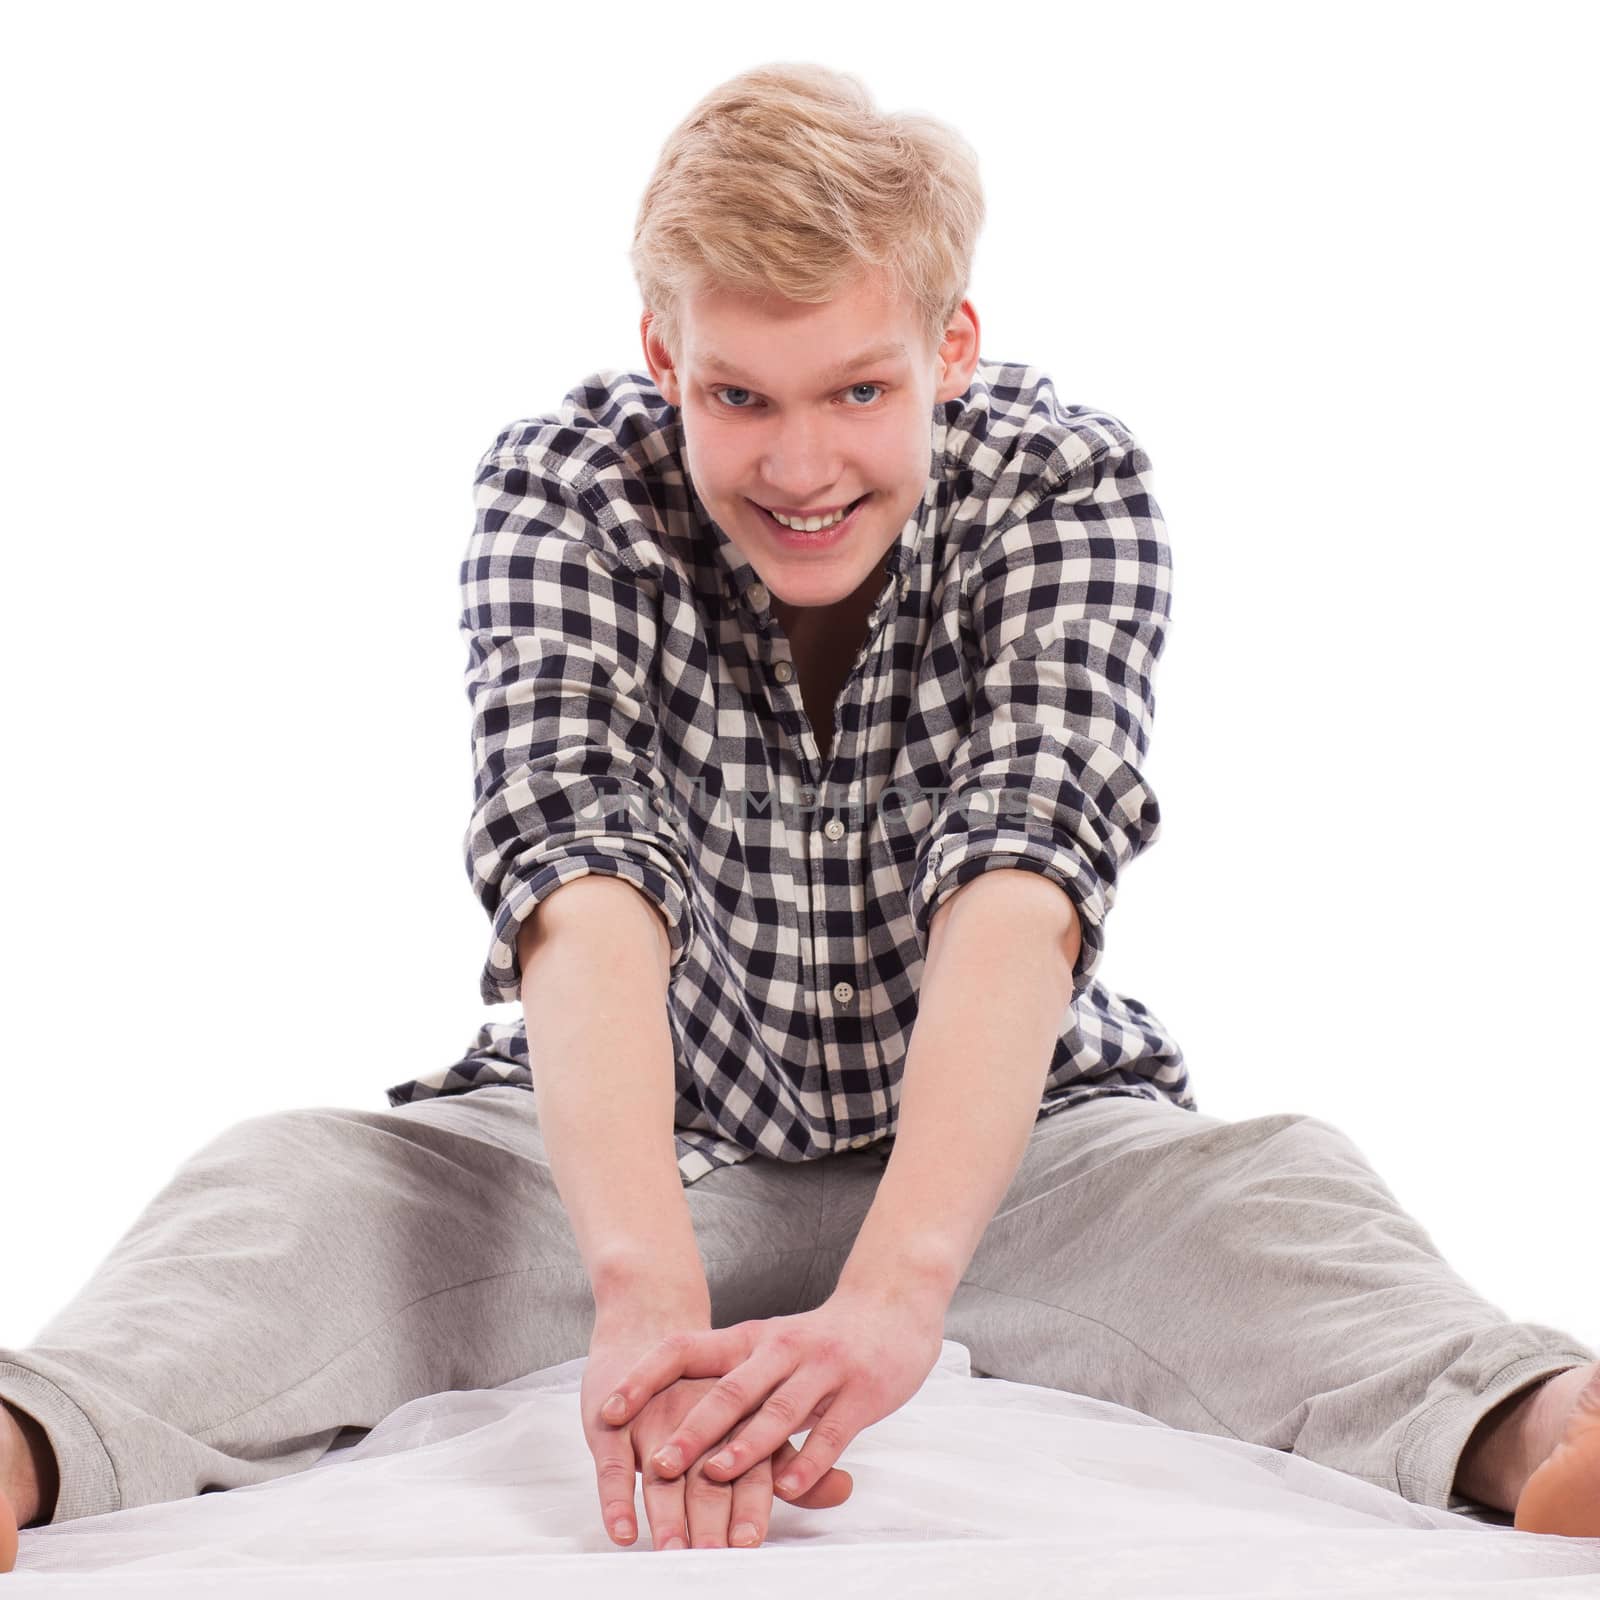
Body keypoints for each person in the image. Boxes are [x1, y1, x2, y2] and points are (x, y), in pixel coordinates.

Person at [3, 61, 1598, 1573]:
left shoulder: (1063, 485)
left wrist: (900, 1293)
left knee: (1273, 1194)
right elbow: (576, 865)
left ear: (951, 348)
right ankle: (25, 1442)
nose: (802, 461)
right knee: (290, 1186)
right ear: (660, 357)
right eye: (738, 396)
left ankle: (1537, 1430)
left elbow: (1027, 866)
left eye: (858, 389)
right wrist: (637, 1281)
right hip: (637, 1143)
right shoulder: (563, 488)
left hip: (1014, 1146)